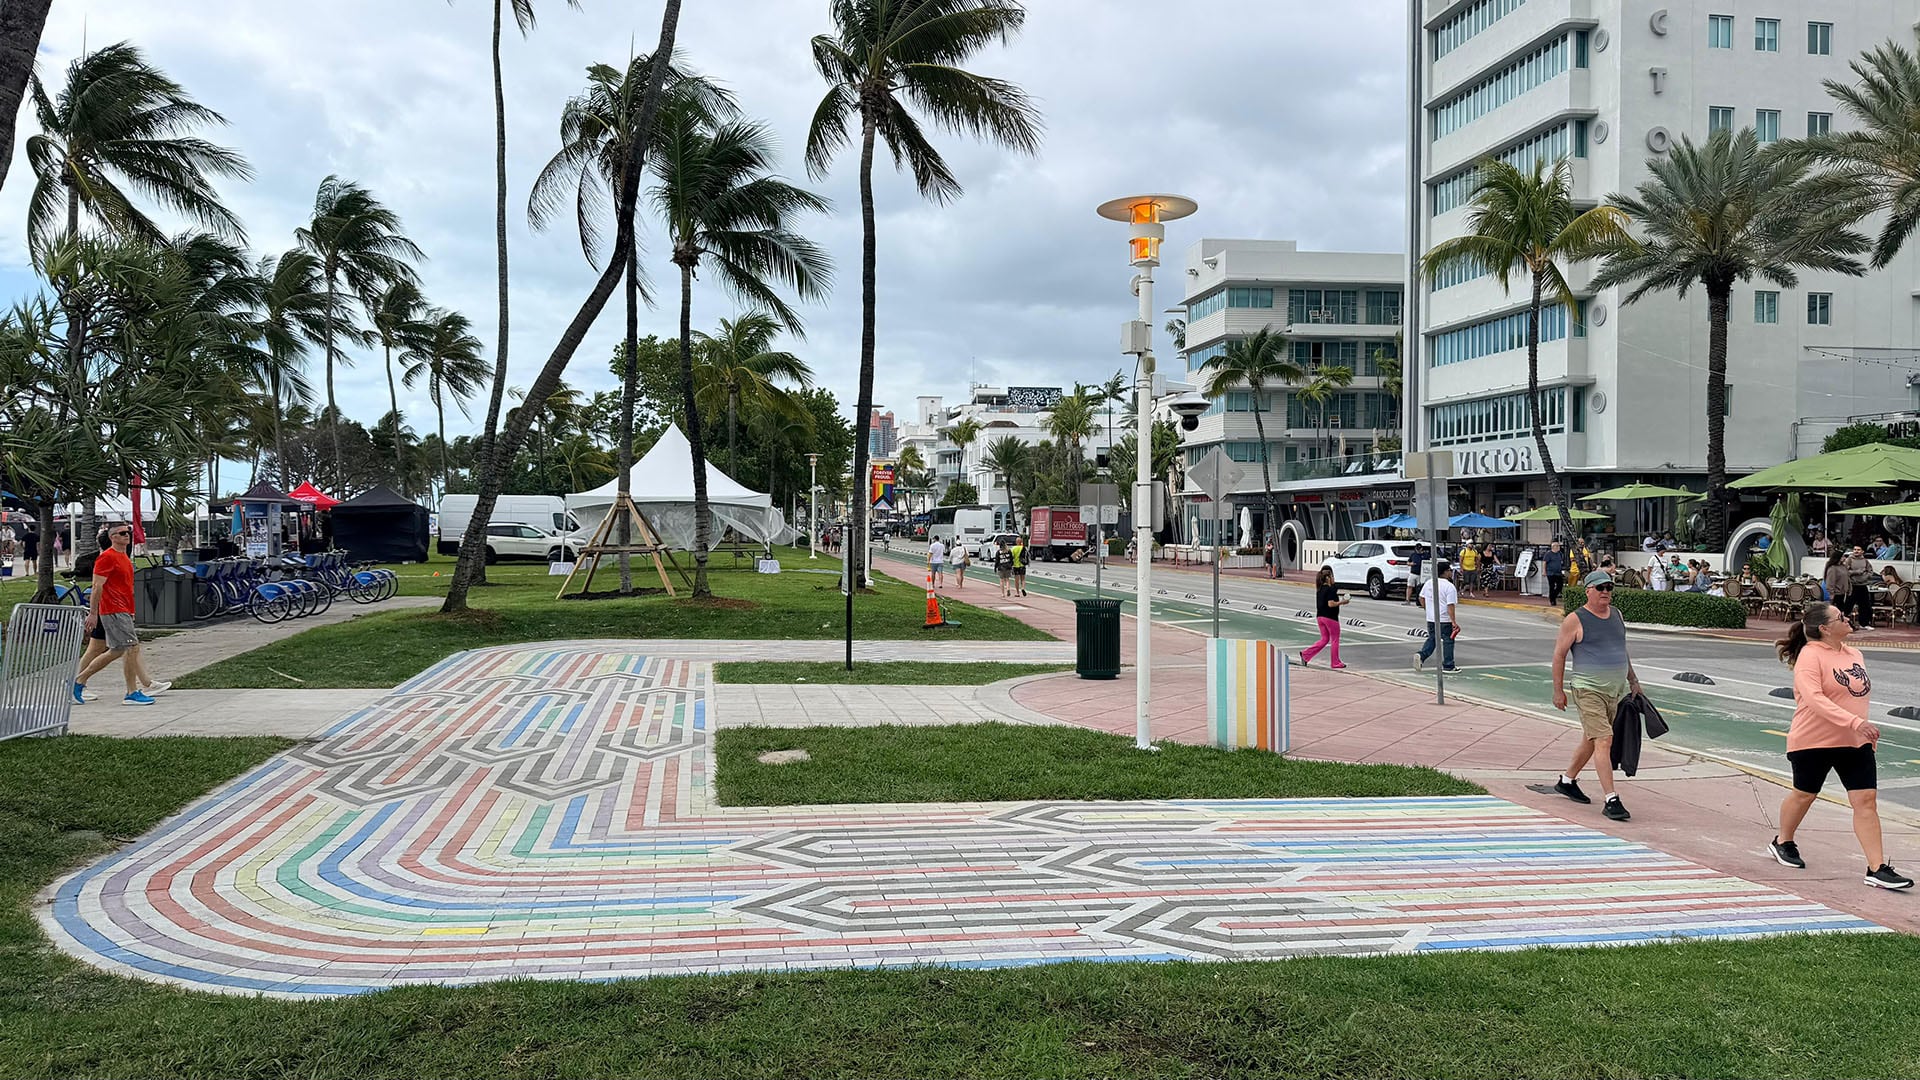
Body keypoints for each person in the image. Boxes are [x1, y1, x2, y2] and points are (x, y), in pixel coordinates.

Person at [1769, 601, 1913, 889]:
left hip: (1854, 741)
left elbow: (1856, 696)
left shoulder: (1855, 653)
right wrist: (1855, 722)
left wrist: (1860, 728)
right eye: (1841, 617)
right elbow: (1814, 699)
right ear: (1824, 628)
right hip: (1813, 740)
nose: (1849, 618)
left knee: (1865, 801)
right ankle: (1783, 841)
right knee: (1804, 795)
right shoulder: (1810, 656)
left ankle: (1876, 868)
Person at [1551, 570, 1639, 822]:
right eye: (1600, 587)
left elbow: (1621, 650)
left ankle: (1567, 781)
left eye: (1609, 587)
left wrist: (1633, 680)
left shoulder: (1617, 615)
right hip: (1587, 689)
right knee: (1604, 739)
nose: (1605, 592)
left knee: (1592, 740)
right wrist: (1558, 690)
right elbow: (1559, 655)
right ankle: (1611, 799)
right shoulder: (1575, 619)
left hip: (1614, 690)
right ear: (1588, 590)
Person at [72, 525, 169, 707]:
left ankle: (79, 681)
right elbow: (96, 586)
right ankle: (131, 693)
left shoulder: (123, 557)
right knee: (130, 648)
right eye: (122, 533)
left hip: (122, 610)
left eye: (128, 533)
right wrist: (93, 613)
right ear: (112, 537)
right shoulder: (106, 558)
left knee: (118, 650)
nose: (127, 536)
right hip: (112, 610)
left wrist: (130, 610)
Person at [1299, 565, 1348, 669]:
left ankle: (1306, 654)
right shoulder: (1330, 589)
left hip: (1320, 617)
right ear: (1328, 578)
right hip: (1330, 617)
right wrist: (1342, 602)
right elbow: (1330, 604)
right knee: (1335, 639)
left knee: (1324, 639)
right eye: (1332, 576)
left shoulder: (1320, 589)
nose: (1334, 578)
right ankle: (1335, 662)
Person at [1415, 563, 1460, 673]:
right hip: (1444, 619)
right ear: (1445, 572)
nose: (1451, 572)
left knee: (1433, 639)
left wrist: (1428, 610)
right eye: (1449, 570)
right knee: (1448, 641)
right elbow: (1450, 605)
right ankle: (1448, 665)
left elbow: (1421, 598)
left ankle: (1421, 655)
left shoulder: (1429, 583)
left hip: (1431, 618)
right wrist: (1453, 621)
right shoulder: (1449, 586)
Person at [1846, 544, 1876, 632]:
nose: (1856, 551)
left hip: (1863, 585)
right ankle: (1845, 623)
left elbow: (1870, 571)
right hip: (1852, 586)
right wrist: (1856, 572)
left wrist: (1866, 577)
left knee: (1865, 605)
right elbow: (1845, 571)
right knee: (1848, 605)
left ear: (1862, 551)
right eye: (1854, 549)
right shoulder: (1849, 560)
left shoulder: (1865, 561)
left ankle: (1864, 623)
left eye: (1858, 550)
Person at [1544, 540, 1568, 606]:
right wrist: (1544, 571)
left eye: (1558, 546)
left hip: (1558, 573)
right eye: (1557, 546)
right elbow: (1545, 562)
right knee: (1552, 586)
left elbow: (1561, 562)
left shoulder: (1560, 554)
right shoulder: (1548, 554)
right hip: (1550, 573)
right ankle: (1552, 600)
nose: (1558, 547)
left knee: (1560, 586)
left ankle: (1553, 596)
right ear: (1553, 547)